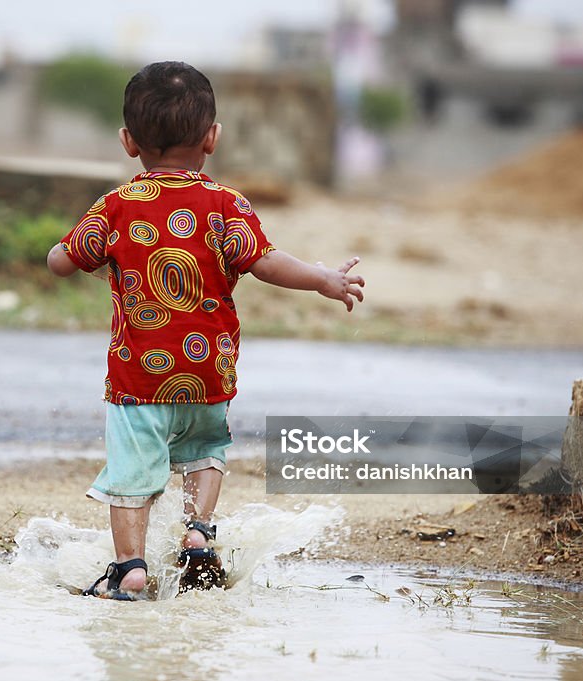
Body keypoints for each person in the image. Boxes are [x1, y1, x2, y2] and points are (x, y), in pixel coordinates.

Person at [47, 61, 364, 600]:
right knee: (207, 448)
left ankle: (130, 569)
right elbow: (265, 259)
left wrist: (59, 251)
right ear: (212, 138)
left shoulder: (118, 206)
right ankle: (199, 532)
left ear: (128, 142)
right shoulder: (225, 205)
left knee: (131, 474)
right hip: (206, 372)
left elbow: (64, 261)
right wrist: (322, 280)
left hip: (139, 379)